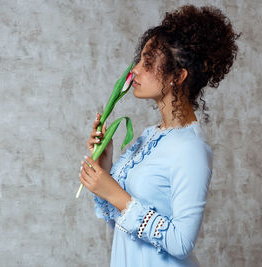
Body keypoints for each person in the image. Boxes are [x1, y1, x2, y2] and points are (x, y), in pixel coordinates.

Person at [79, 5, 240, 267]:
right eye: (140, 60)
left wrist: (114, 193)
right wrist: (104, 164)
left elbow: (182, 242)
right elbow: (124, 224)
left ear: (178, 76)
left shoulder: (191, 150)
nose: (135, 70)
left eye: (148, 63)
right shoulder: (149, 136)